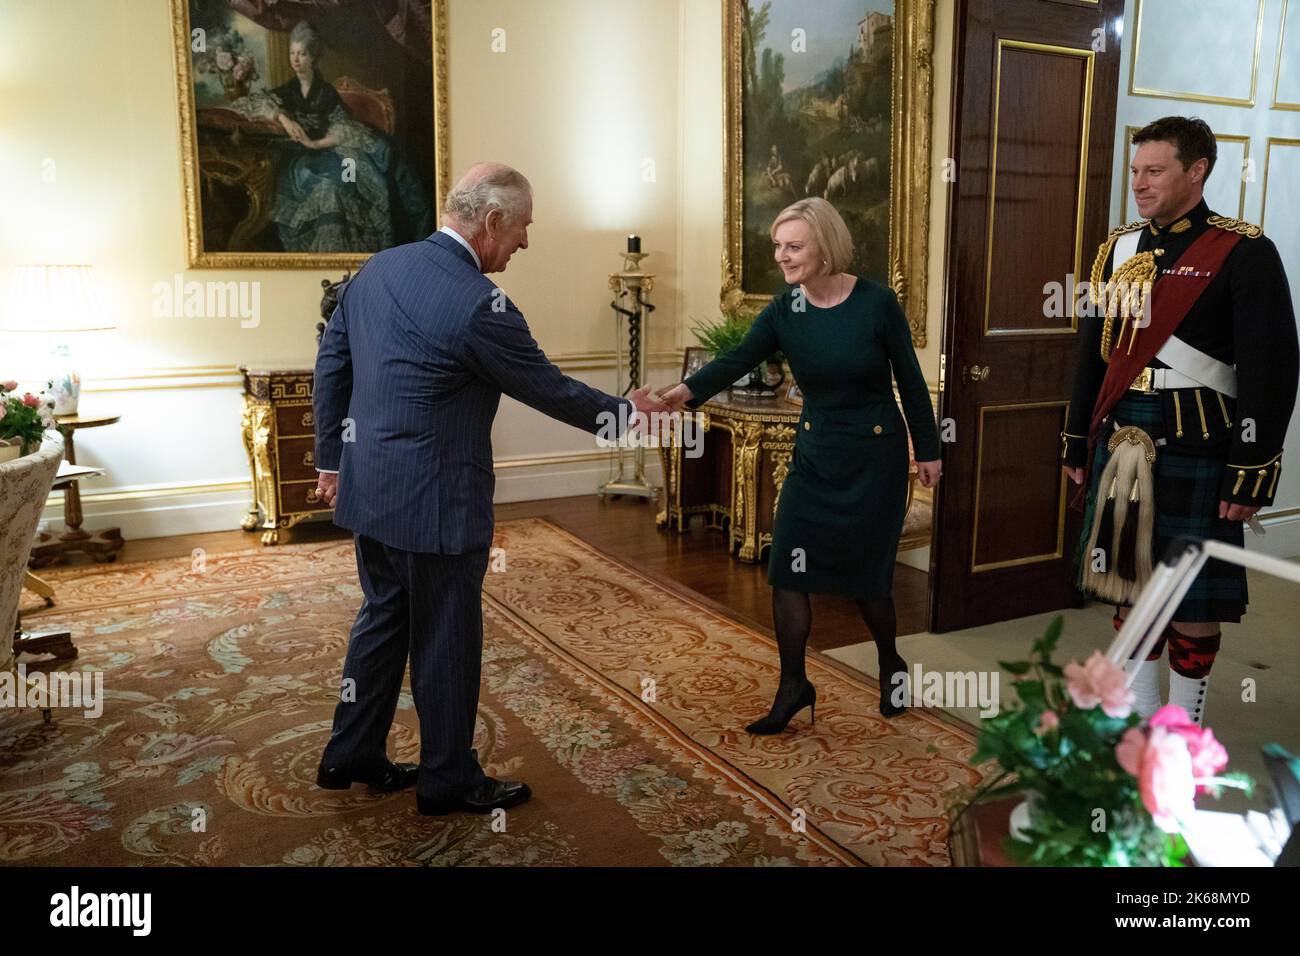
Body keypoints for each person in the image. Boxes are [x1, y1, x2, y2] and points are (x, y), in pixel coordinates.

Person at [312, 162, 670, 814]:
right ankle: (448, 779)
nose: (526, 243)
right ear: (493, 219)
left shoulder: (378, 268)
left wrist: (331, 461)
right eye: (524, 227)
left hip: (371, 491)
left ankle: (350, 752)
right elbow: (550, 389)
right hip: (436, 504)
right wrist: (630, 414)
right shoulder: (482, 305)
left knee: (382, 620)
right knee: (446, 637)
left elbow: (333, 358)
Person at [660, 197, 942, 733]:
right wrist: (682, 393)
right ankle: (793, 684)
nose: (783, 258)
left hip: (874, 458)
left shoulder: (877, 304)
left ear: (825, 248)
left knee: (869, 582)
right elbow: (738, 358)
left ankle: (891, 664)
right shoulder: (785, 309)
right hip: (814, 456)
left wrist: (927, 450)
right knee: (788, 569)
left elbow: (908, 378)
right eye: (778, 248)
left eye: (794, 246)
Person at [1062, 116, 1298, 726]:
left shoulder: (1244, 252)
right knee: (1126, 581)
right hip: (1122, 434)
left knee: (1193, 594)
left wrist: (1252, 472)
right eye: (1135, 171)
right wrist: (1074, 440)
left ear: (1197, 172)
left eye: (1154, 171)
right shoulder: (1118, 249)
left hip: (1199, 441)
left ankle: (1182, 728)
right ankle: (1139, 719)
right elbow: (1094, 351)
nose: (1139, 183)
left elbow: (1271, 371)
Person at [240, 20, 433, 252]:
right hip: (297, 158)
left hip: (329, 150)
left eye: (302, 54)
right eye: (292, 53)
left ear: (313, 57)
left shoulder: (326, 92)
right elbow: (258, 102)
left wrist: (315, 143)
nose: (296, 59)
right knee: (303, 184)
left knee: (341, 184)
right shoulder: (287, 91)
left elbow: (342, 127)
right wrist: (283, 117)